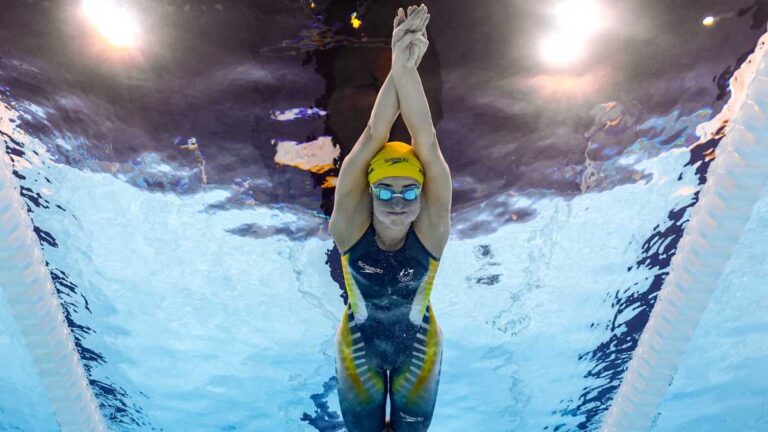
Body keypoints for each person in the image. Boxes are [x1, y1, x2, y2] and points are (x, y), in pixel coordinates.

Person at [329, 5, 451, 432]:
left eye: (409, 190)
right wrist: (402, 67)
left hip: (419, 351)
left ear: (422, 195)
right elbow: (373, 137)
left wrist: (405, 68)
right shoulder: (348, 229)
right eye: (384, 189)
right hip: (357, 349)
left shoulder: (432, 233)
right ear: (369, 191)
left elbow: (427, 142)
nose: (397, 201)